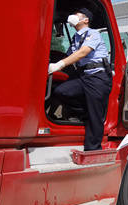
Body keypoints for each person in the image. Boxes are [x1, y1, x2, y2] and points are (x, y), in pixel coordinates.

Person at [48, 8, 112, 151]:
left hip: (97, 77)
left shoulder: (93, 33)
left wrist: (59, 65)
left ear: (85, 20)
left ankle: (93, 150)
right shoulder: (75, 38)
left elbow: (83, 52)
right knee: (61, 92)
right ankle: (84, 112)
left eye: (77, 15)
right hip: (83, 76)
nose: (73, 16)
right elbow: (68, 56)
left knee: (95, 116)